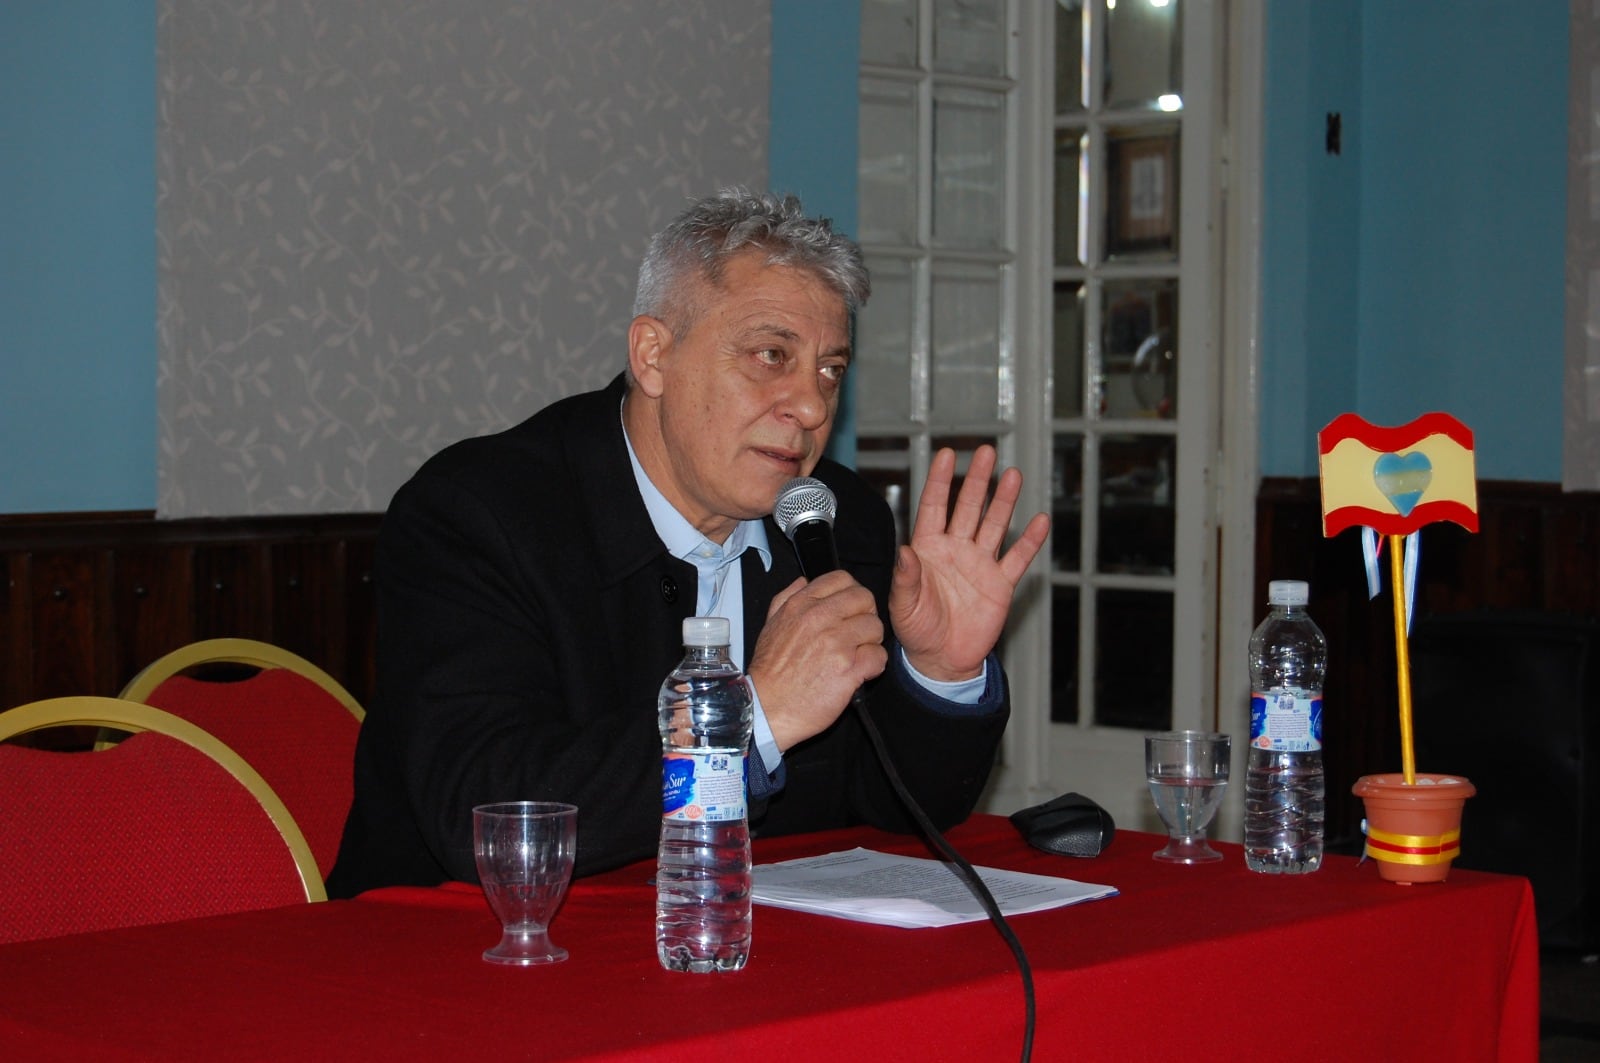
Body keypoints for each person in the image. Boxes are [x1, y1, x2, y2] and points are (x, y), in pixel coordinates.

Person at [326, 189, 1051, 897]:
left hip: (747, 958)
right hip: (461, 970)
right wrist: (751, 717)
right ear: (653, 357)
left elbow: (899, 809)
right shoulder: (478, 514)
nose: (811, 405)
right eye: (772, 354)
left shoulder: (835, 521)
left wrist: (938, 674)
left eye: (831, 369)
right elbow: (486, 813)